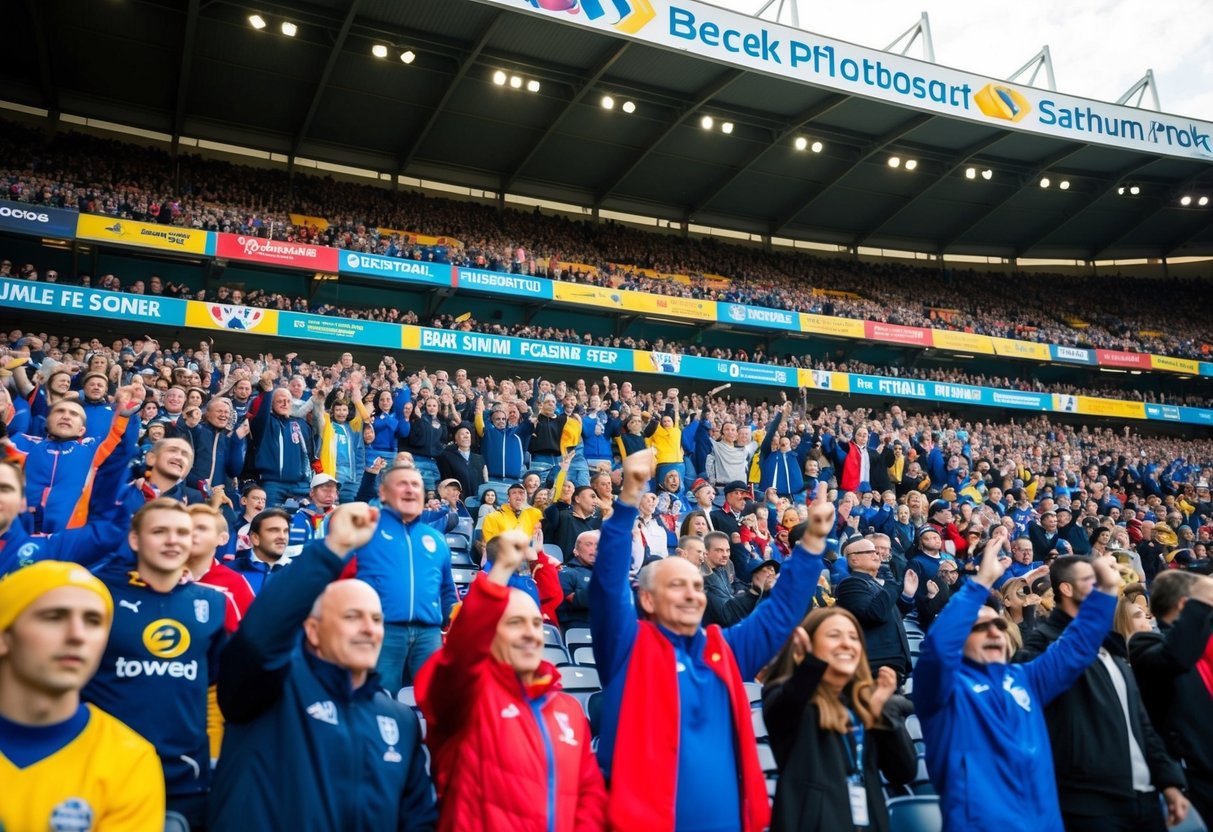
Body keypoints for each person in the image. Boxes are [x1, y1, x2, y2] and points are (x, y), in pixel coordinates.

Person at [590, 449, 829, 832]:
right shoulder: (627, 647)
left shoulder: (722, 650)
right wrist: (629, 498)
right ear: (647, 599)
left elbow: (780, 612)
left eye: (698, 586)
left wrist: (813, 542)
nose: (693, 594)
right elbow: (606, 583)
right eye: (677, 585)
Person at [209, 502, 437, 831]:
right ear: (313, 631)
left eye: (376, 619)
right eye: (351, 617)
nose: (369, 628)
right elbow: (259, 640)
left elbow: (417, 821)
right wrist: (333, 550)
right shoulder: (270, 687)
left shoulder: (399, 720)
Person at [914, 527, 1121, 832]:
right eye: (979, 628)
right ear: (959, 638)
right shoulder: (943, 689)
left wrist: (1106, 592)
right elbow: (938, 649)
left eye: (998, 625)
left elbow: (1077, 645)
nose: (994, 631)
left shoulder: (1026, 678)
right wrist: (981, 581)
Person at [415, 529, 607, 831]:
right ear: (489, 632)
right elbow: (459, 656)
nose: (531, 632)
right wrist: (500, 569)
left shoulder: (568, 709)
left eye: (534, 623)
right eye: (514, 623)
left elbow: (589, 793)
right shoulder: (466, 697)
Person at [1014, 555, 1188, 831]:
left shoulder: (1113, 647)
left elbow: (1139, 723)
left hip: (1144, 797)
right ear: (1066, 589)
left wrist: (1169, 781)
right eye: (1091, 581)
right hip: (1088, 802)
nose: (1105, 585)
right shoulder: (1042, 643)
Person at [85, 497, 227, 829]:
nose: (172, 540)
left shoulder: (212, 603)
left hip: (184, 781)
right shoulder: (98, 596)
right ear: (135, 540)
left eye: (182, 532)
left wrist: (214, 760)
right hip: (105, 772)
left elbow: (215, 690)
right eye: (160, 531)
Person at [0, 561, 165, 831]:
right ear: (4, 636)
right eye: (53, 617)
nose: (77, 635)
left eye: (93, 621)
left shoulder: (129, 760)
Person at [762, 608, 917, 832]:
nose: (847, 644)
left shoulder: (862, 704)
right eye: (834, 635)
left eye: (854, 637)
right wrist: (811, 665)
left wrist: (881, 710)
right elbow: (787, 705)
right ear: (809, 645)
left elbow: (904, 771)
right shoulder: (788, 698)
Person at [342, 464, 455, 690]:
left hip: (429, 634)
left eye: (415, 485)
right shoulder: (364, 532)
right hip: (381, 632)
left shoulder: (436, 538)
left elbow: (447, 591)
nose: (410, 490)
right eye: (402, 484)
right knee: (379, 701)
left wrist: (453, 616)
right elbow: (341, 583)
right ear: (383, 493)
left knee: (437, 703)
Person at [1129, 571, 1213, 824]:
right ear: (1185, 605)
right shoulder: (1145, 644)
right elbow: (1177, 656)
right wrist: (1200, 603)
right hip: (1190, 775)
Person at [833, 536, 915, 684]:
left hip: (893, 664)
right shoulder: (851, 584)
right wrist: (891, 583)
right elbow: (874, 614)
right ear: (854, 560)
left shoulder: (875, 583)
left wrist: (907, 596)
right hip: (875, 666)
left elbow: (892, 615)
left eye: (876, 552)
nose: (876, 554)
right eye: (870, 551)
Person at [231, 508, 293, 595]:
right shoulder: (231, 571)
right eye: (274, 530)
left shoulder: (302, 573)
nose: (282, 536)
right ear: (255, 538)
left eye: (286, 531)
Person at [287, 472, 340, 557]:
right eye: (325, 490)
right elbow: (293, 552)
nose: (330, 495)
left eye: (333, 491)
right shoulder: (299, 517)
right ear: (312, 492)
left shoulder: (340, 516)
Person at [557, 530, 599, 631]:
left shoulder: (604, 573)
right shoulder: (566, 573)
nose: (594, 549)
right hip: (578, 629)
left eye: (598, 545)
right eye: (588, 544)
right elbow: (576, 601)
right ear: (576, 550)